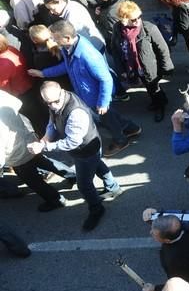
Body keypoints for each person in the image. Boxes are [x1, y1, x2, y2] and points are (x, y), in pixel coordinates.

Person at [28, 81, 123, 231]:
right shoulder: (59, 100)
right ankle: (113, 187)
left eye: (55, 101)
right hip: (89, 147)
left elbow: (72, 142)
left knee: (84, 185)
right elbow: (52, 123)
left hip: (85, 149)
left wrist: (45, 146)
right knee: (97, 164)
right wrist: (45, 138)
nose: (53, 106)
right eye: (48, 103)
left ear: (62, 92)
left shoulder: (75, 112)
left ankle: (97, 209)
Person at [0, 91, 67, 212]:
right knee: (45, 162)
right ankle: (73, 176)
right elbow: (18, 102)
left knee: (33, 181)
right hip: (27, 137)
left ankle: (55, 200)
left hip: (15, 153)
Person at [111, 0, 173, 122]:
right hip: (133, 67)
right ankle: (159, 100)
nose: (138, 20)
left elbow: (163, 49)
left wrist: (166, 68)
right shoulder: (117, 29)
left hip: (150, 67)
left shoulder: (149, 28)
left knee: (153, 86)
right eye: (134, 19)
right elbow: (115, 50)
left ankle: (160, 106)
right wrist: (121, 69)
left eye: (139, 16)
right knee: (148, 86)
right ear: (123, 20)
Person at [141, 209, 189, 291]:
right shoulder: (185, 227)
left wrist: (155, 289)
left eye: (154, 234)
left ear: (167, 240)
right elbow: (165, 221)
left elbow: (180, 285)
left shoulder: (177, 261)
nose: (150, 232)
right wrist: (153, 212)